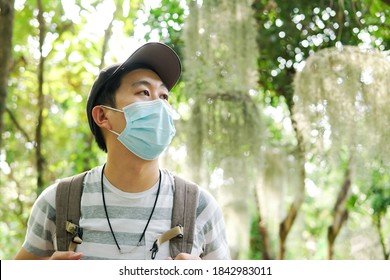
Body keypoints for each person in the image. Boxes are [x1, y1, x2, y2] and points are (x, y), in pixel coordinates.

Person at [14, 42, 230, 260]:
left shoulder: (200, 208)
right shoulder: (57, 203)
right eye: (144, 92)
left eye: (164, 96)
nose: (160, 106)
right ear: (103, 116)